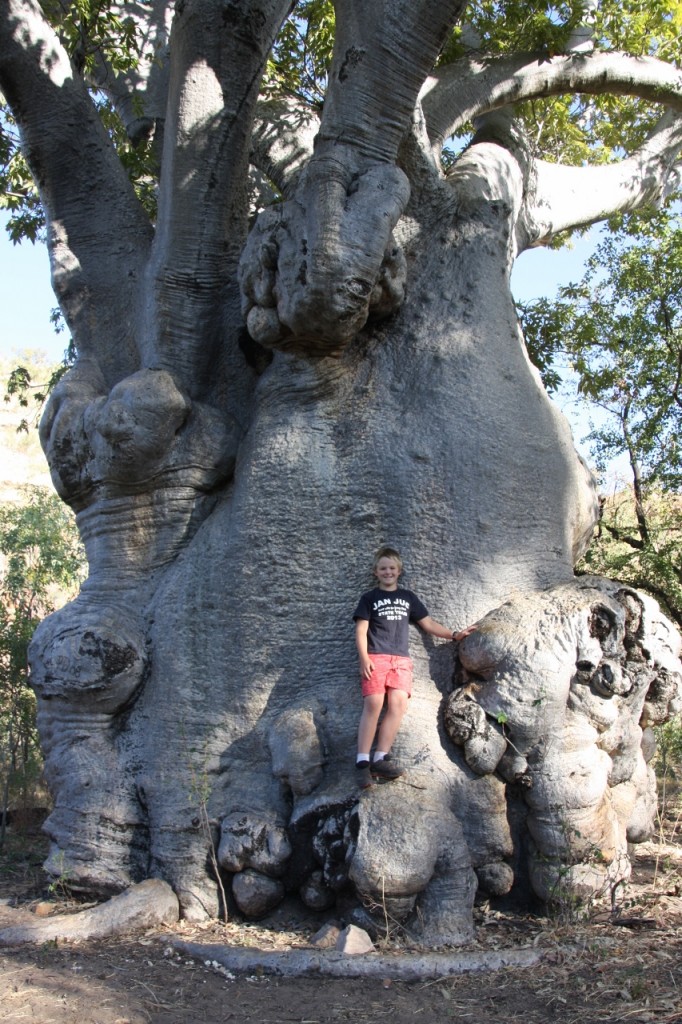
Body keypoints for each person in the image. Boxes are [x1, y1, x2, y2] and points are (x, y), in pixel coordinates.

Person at [352, 545, 476, 788]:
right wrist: (363, 658)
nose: (387, 572)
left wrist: (454, 634)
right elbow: (361, 629)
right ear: (375, 572)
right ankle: (362, 760)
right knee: (374, 704)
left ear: (399, 571)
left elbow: (428, 623)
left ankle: (381, 757)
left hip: (401, 660)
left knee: (398, 704)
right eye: (383, 568)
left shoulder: (407, 598)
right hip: (376, 657)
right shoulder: (369, 598)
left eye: (392, 568)